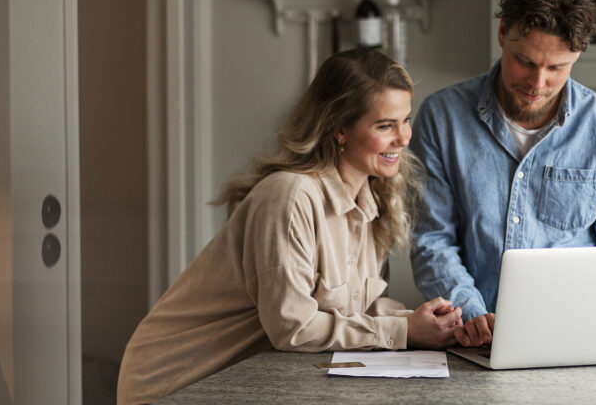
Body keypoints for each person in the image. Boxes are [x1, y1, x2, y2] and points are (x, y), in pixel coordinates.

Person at [117, 49, 462, 404]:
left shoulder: (371, 204)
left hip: (245, 380)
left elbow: (351, 312)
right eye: (385, 125)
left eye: (405, 120)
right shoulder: (289, 197)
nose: (404, 138)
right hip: (176, 382)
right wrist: (403, 330)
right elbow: (293, 328)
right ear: (340, 129)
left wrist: (437, 325)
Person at [409, 0, 596, 348]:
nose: (537, 83)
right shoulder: (441, 118)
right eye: (525, 61)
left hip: (575, 342)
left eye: (556, 68)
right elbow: (432, 239)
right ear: (503, 32)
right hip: (471, 344)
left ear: (578, 55)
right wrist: (474, 317)